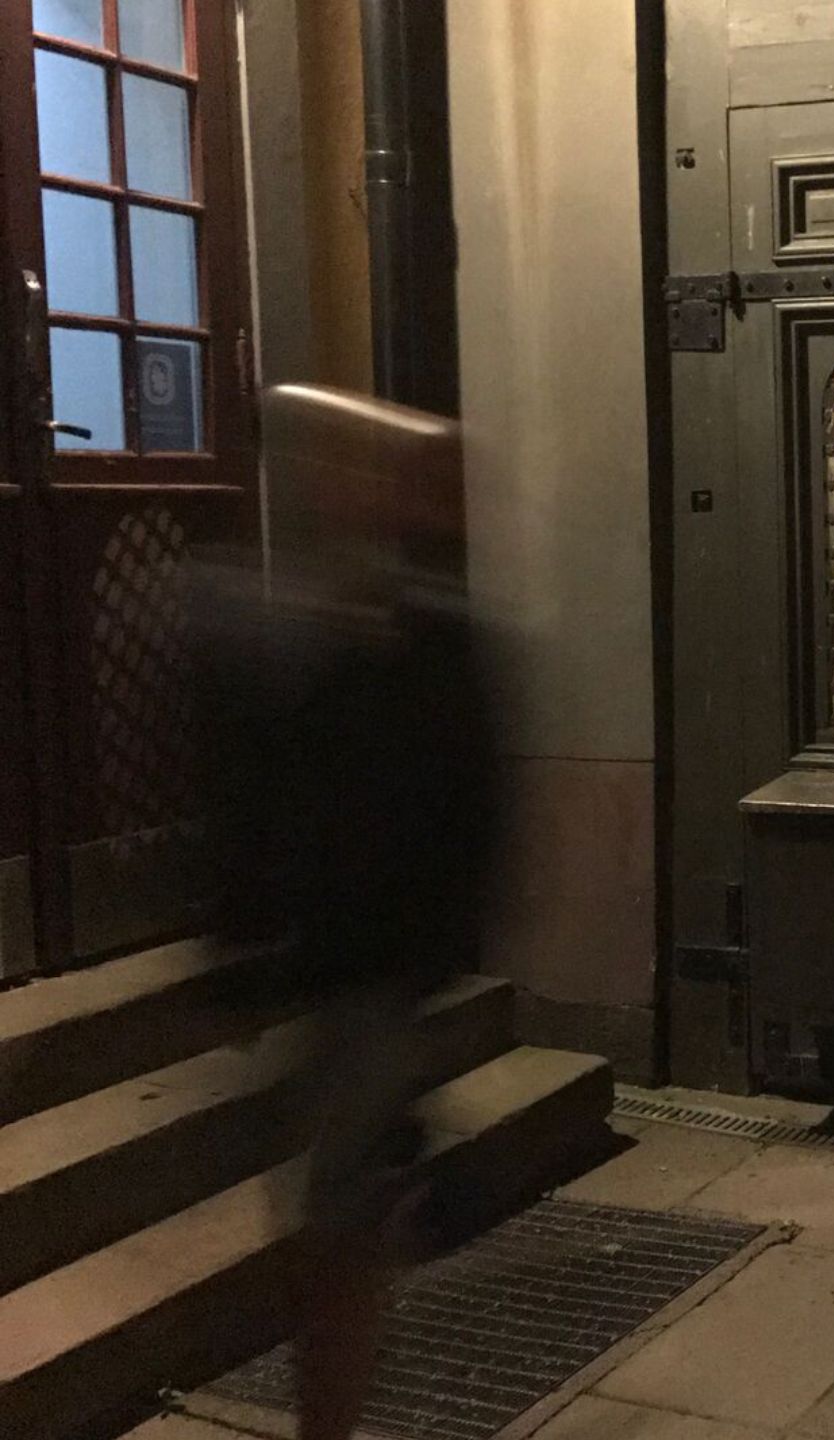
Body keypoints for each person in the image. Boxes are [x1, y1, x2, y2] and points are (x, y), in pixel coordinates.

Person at [191, 384, 502, 1440]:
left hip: (369, 971)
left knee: (336, 1224)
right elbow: (250, 792)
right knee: (332, 1208)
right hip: (318, 965)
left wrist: (425, 956)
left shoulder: (432, 635)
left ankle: (330, 1405)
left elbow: (464, 807)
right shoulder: (274, 614)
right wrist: (240, 941)